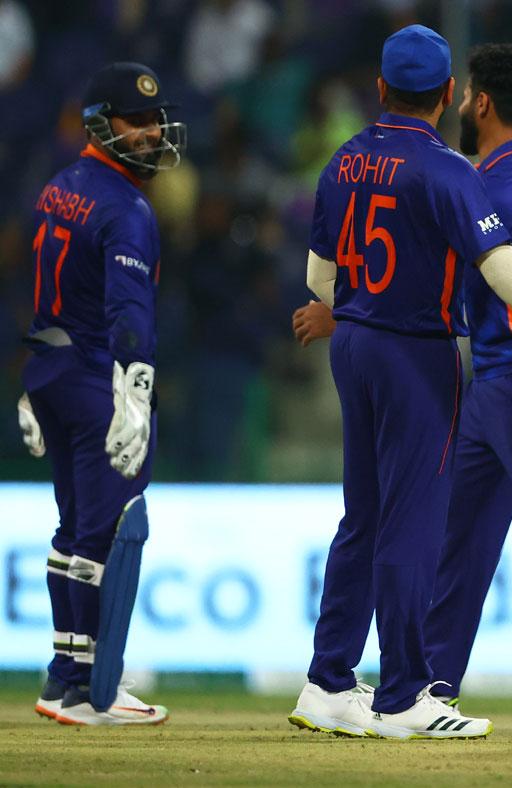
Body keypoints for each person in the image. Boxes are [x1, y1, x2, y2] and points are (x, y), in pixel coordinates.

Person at [287, 25, 512, 742]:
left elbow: (319, 278)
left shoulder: (353, 158)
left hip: (501, 369)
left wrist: (349, 312)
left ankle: (346, 679)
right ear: (450, 93)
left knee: (381, 520)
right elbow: (505, 273)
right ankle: (407, 693)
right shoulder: (487, 171)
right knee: (429, 529)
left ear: (382, 86)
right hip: (449, 361)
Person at [16, 62, 186, 725]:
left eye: (152, 121)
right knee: (108, 533)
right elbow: (127, 315)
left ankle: (63, 677)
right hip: (96, 378)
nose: (147, 134)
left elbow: (44, 293)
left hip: (51, 368)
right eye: (132, 121)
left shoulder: (61, 185)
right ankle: (91, 690)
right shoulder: (126, 207)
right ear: (98, 125)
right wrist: (135, 392)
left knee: (71, 530)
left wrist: (33, 387)